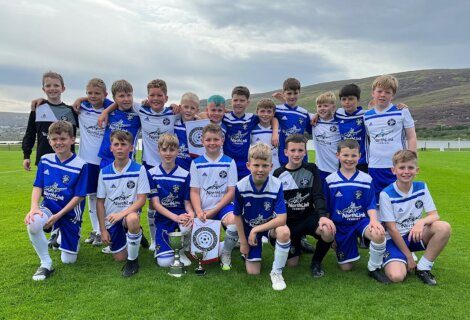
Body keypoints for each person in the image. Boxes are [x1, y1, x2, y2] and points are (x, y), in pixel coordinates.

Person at [24, 121, 88, 280]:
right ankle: (46, 263)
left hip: (70, 212)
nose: (58, 143)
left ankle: (61, 232)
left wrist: (58, 217)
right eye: (54, 139)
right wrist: (34, 208)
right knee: (33, 223)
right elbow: (38, 186)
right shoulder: (45, 160)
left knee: (68, 260)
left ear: (72, 140)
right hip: (49, 207)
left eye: (63, 139)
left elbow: (79, 196)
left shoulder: (81, 165)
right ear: (49, 141)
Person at [379, 150, 451, 285]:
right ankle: (399, 257)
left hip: (414, 235)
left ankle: (423, 268)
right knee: (396, 277)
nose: (406, 171)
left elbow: (435, 215)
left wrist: (421, 222)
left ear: (417, 170)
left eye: (410, 167)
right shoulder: (386, 194)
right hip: (394, 240)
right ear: (393, 170)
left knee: (443, 227)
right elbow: (392, 229)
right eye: (401, 168)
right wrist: (408, 256)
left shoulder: (422, 187)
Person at [324, 139, 390, 283]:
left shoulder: (366, 179)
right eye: (345, 155)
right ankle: (345, 245)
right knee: (346, 268)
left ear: (359, 156)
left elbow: (370, 205)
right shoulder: (330, 180)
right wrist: (332, 235)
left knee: (379, 234)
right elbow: (328, 209)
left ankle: (374, 268)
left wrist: (374, 221)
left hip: (361, 222)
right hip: (341, 226)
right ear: (338, 155)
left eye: (353, 156)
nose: (349, 159)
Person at [273, 134, 335, 277]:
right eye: (293, 150)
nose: (296, 154)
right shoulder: (278, 174)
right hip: (290, 222)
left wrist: (323, 217)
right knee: (292, 264)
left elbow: (318, 195)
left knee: (327, 230)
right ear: (285, 152)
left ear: (305, 152)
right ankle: (297, 244)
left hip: (308, 217)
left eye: (300, 150)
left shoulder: (312, 169)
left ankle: (316, 262)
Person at [234, 142, 291, 291]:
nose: (260, 170)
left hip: (268, 226)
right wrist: (243, 242)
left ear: (271, 166)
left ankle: (276, 272)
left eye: (265, 166)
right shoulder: (240, 186)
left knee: (284, 231)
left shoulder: (277, 184)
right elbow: (237, 215)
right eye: (256, 165)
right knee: (253, 272)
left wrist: (257, 230)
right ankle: (230, 246)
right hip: (248, 226)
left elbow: (281, 219)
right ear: (248, 165)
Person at [96, 130, 150, 277]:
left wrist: (121, 214)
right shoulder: (104, 172)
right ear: (111, 148)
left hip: (127, 216)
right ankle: (137, 233)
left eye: (123, 144)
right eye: (116, 144)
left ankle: (133, 261)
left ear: (131, 148)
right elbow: (100, 203)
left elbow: (141, 200)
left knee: (132, 219)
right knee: (120, 258)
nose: (120, 148)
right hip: (112, 220)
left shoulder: (139, 169)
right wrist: (103, 230)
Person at [190, 123, 239, 270]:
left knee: (234, 222)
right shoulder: (196, 163)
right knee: (199, 248)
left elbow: (231, 192)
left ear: (222, 141)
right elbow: (194, 191)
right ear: (202, 141)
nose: (212, 143)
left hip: (223, 207)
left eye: (216, 139)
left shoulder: (229, 162)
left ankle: (226, 253)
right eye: (209, 140)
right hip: (203, 208)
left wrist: (214, 211)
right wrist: (198, 211)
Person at [364, 75, 417, 201]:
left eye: (388, 92)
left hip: (397, 166)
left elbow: (412, 137)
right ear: (373, 93)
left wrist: (411, 162)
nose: (383, 95)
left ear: (392, 95)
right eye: (379, 91)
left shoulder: (402, 111)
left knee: (399, 201)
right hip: (375, 167)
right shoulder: (366, 116)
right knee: (377, 203)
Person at [76, 78, 114, 247]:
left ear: (105, 95)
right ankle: (97, 230)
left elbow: (120, 102)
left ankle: (106, 229)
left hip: (105, 161)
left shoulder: (111, 108)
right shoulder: (81, 108)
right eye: (89, 93)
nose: (93, 96)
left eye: (97, 93)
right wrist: (81, 99)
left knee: (104, 197)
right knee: (91, 196)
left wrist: (105, 111)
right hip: (86, 161)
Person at [147, 134, 194, 267]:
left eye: (172, 150)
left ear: (177, 151)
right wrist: (175, 217)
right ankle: (166, 246)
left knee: (186, 226)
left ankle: (183, 250)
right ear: (158, 150)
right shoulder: (151, 174)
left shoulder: (185, 174)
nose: (168, 153)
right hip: (164, 218)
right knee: (164, 263)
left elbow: (187, 203)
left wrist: (190, 214)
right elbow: (155, 204)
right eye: (164, 149)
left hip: (181, 216)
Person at [22, 71, 78, 171]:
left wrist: (81, 99)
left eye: (56, 85)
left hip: (68, 162)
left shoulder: (71, 111)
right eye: (48, 86)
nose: (52, 88)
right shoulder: (37, 109)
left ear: (63, 88)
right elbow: (30, 134)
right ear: (43, 89)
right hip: (44, 161)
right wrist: (26, 156)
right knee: (42, 187)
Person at [222, 86, 279, 180]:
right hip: (228, 163)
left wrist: (275, 132)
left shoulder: (251, 118)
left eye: (242, 100)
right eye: (235, 100)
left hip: (245, 165)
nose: (238, 103)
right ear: (231, 101)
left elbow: (273, 118)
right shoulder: (225, 118)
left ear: (247, 102)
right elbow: (208, 115)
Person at [273, 78, 312, 166]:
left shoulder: (304, 113)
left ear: (299, 93)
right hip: (283, 158)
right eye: (289, 93)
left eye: (295, 93)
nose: (292, 96)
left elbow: (312, 129)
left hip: (301, 159)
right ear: (284, 94)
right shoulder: (277, 110)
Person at [335, 84, 368, 173]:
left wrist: (400, 107)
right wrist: (317, 115)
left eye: (351, 99)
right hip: (343, 161)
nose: (347, 102)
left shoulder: (366, 115)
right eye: (344, 99)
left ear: (358, 100)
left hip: (361, 161)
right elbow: (325, 112)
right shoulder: (338, 114)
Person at [312, 92, 341, 183]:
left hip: (337, 169)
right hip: (320, 168)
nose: (322, 108)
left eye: (325, 105)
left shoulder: (339, 122)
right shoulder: (313, 121)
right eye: (319, 106)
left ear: (333, 107)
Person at [250, 98, 281, 173]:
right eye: (262, 111)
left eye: (269, 112)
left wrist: (275, 132)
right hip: (258, 170)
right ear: (257, 112)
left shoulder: (279, 129)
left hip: (276, 168)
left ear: (273, 114)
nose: (265, 114)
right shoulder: (252, 129)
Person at [174, 92, 200, 171]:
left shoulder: (201, 126)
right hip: (177, 170)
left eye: (192, 108)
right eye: (186, 107)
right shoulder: (174, 124)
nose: (189, 110)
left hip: (195, 170)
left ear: (197, 110)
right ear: (180, 108)